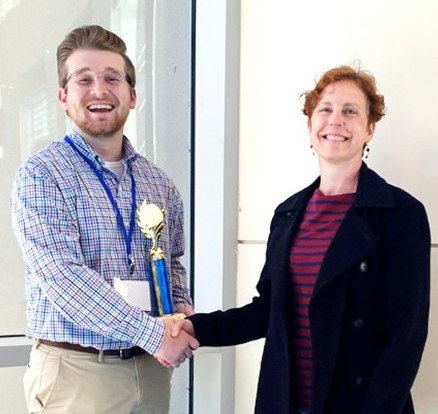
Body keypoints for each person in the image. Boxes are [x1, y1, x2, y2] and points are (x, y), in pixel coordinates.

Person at [171, 65, 431, 414]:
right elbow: (268, 311)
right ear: (310, 126)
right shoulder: (288, 213)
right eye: (325, 109)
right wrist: (195, 325)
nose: (335, 120)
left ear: (369, 128)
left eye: (350, 111)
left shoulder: (400, 214)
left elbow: (405, 339)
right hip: (285, 401)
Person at [11, 24, 198, 414]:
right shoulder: (41, 175)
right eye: (84, 80)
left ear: (131, 96)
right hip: (77, 373)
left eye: (112, 78)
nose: (99, 90)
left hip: (149, 369)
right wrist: (156, 334)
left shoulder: (157, 182)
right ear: (63, 97)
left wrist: (180, 314)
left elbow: (172, 261)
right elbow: (64, 278)